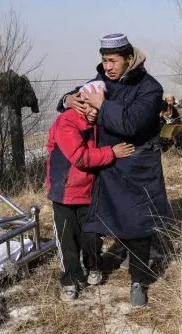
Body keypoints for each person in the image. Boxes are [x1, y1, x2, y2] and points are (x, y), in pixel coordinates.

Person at [59, 33, 169, 308]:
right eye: (104, 60)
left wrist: (102, 105)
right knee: (110, 220)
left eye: (112, 60)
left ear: (128, 59)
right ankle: (96, 265)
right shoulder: (99, 82)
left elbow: (131, 124)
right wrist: (67, 100)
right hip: (107, 165)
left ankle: (139, 281)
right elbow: (76, 101)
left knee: (139, 224)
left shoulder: (150, 88)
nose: (107, 66)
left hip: (138, 165)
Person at [48, 81, 134, 301]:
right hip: (64, 192)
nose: (93, 112)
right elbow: (79, 157)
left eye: (97, 107)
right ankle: (71, 280)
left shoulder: (99, 123)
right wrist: (111, 153)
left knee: (92, 236)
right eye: (88, 106)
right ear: (79, 102)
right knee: (68, 240)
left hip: (89, 190)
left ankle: (94, 266)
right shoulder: (66, 121)